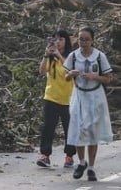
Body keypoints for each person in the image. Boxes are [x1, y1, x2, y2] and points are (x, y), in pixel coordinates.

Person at [64, 26, 113, 182]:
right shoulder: (73, 56)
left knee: (92, 131)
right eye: (80, 39)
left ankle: (91, 167)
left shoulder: (99, 56)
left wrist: (95, 77)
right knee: (78, 130)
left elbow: (108, 78)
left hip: (95, 96)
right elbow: (65, 77)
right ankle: (81, 162)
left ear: (92, 40)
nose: (82, 42)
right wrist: (70, 74)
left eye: (86, 39)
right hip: (78, 95)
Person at [36, 29, 76, 168]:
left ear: (66, 41)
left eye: (61, 39)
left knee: (69, 128)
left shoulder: (71, 56)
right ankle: (45, 155)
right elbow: (42, 71)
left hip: (68, 99)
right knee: (48, 127)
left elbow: (70, 70)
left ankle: (69, 156)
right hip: (51, 96)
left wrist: (58, 55)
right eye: (55, 40)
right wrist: (46, 55)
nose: (57, 42)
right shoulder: (50, 57)